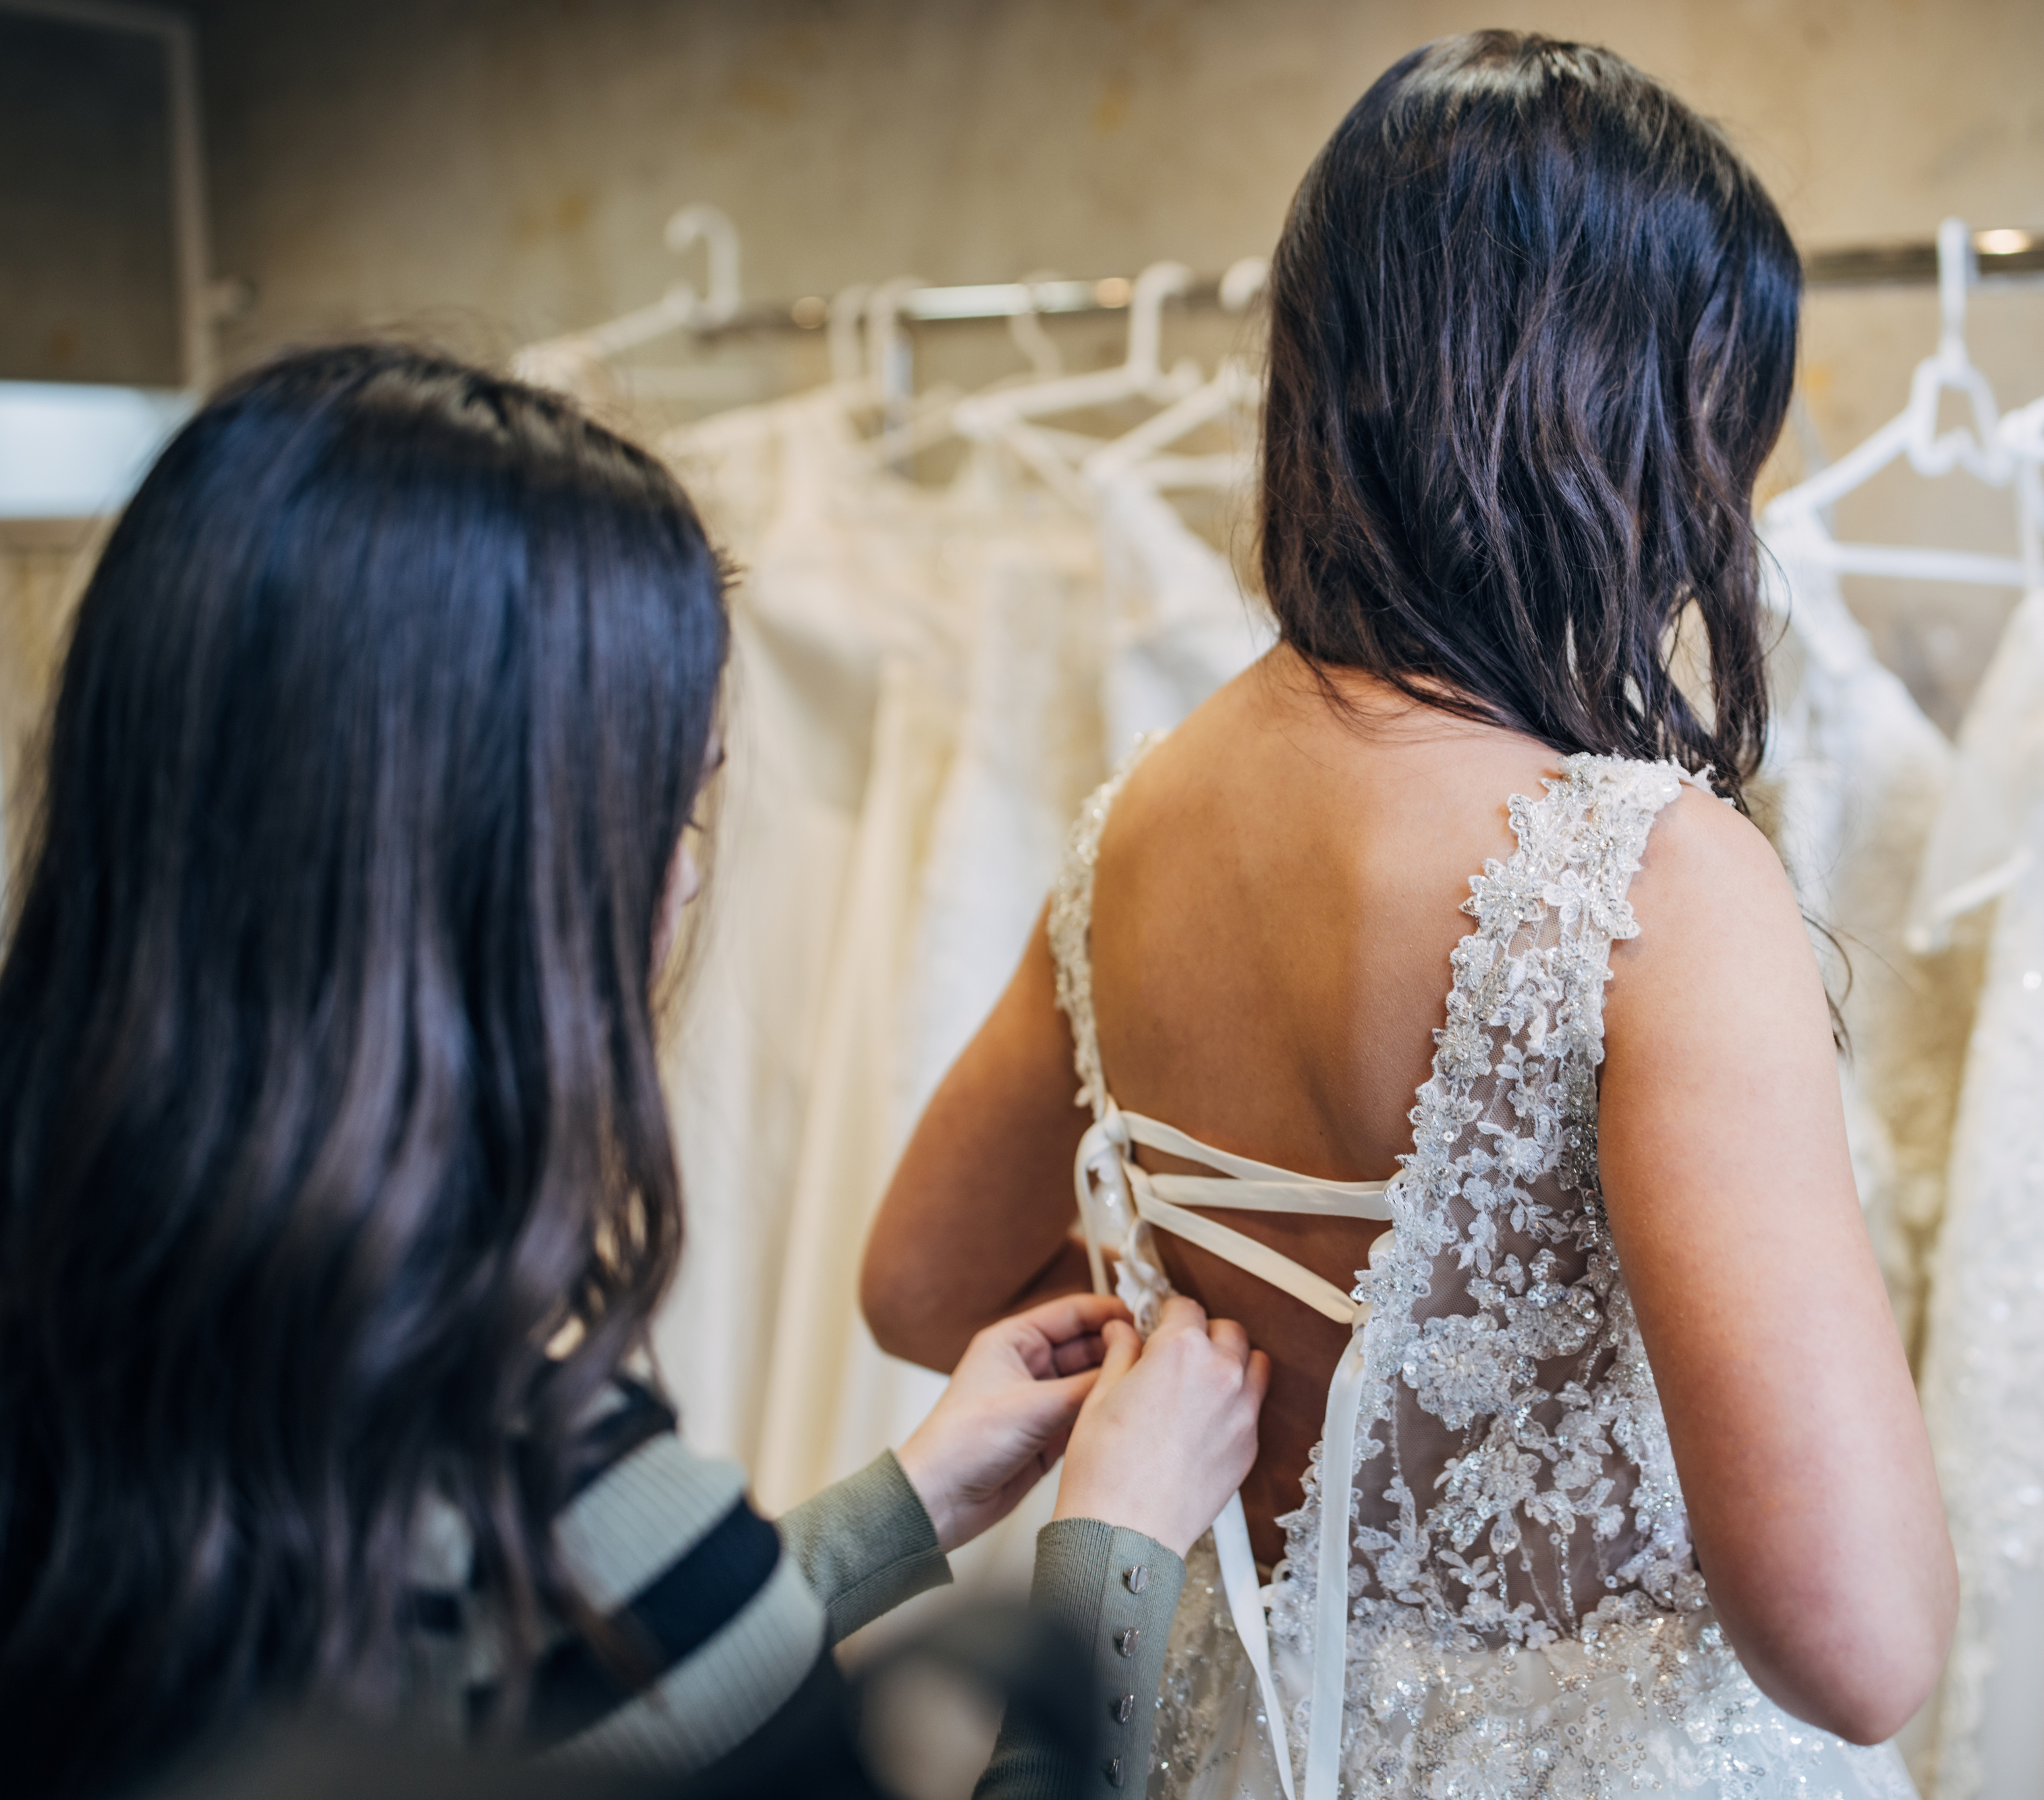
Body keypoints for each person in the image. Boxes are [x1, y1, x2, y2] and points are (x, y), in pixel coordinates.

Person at [863, 30, 1954, 1800]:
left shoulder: (1133, 827)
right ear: (1615, 421)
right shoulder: (1642, 874)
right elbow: (1861, 1644)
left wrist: (1240, 1351)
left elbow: (921, 1283)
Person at [0, 343, 1266, 1800]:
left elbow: (530, 1693)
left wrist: (898, 1507)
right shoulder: (538, 1473)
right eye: (679, 805)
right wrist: (1111, 1553)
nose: (683, 884)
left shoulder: (132, 1348)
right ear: (515, 876)